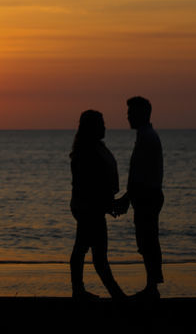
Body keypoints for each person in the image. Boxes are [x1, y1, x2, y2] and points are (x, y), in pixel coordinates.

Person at [68, 109, 127, 301]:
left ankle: (84, 291)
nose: (105, 127)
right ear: (92, 127)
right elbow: (89, 185)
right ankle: (109, 294)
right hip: (88, 209)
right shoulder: (85, 152)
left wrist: (108, 204)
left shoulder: (94, 148)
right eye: (101, 123)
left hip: (93, 208)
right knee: (91, 252)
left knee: (90, 251)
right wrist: (107, 204)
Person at [114, 95, 164, 299]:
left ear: (141, 114)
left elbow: (141, 174)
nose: (127, 117)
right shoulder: (146, 136)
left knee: (147, 241)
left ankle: (152, 287)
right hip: (145, 195)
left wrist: (127, 197)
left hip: (147, 196)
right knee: (146, 240)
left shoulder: (147, 137)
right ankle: (151, 285)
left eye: (131, 113)